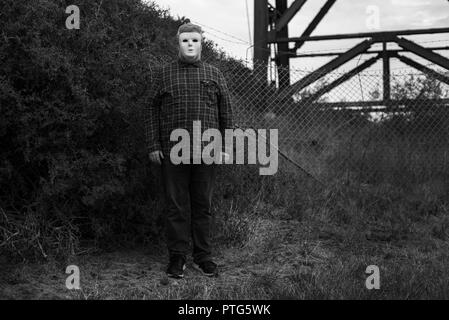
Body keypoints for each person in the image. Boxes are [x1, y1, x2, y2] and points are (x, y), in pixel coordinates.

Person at [144, 21, 234, 279]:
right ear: (178, 43)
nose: (190, 44)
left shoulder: (214, 74)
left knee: (202, 205)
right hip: (174, 152)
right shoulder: (165, 74)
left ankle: (203, 257)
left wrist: (225, 146)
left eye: (194, 40)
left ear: (201, 43)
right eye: (185, 40)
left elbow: (226, 112)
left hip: (207, 151)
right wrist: (153, 145)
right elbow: (150, 109)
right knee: (176, 206)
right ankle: (177, 257)